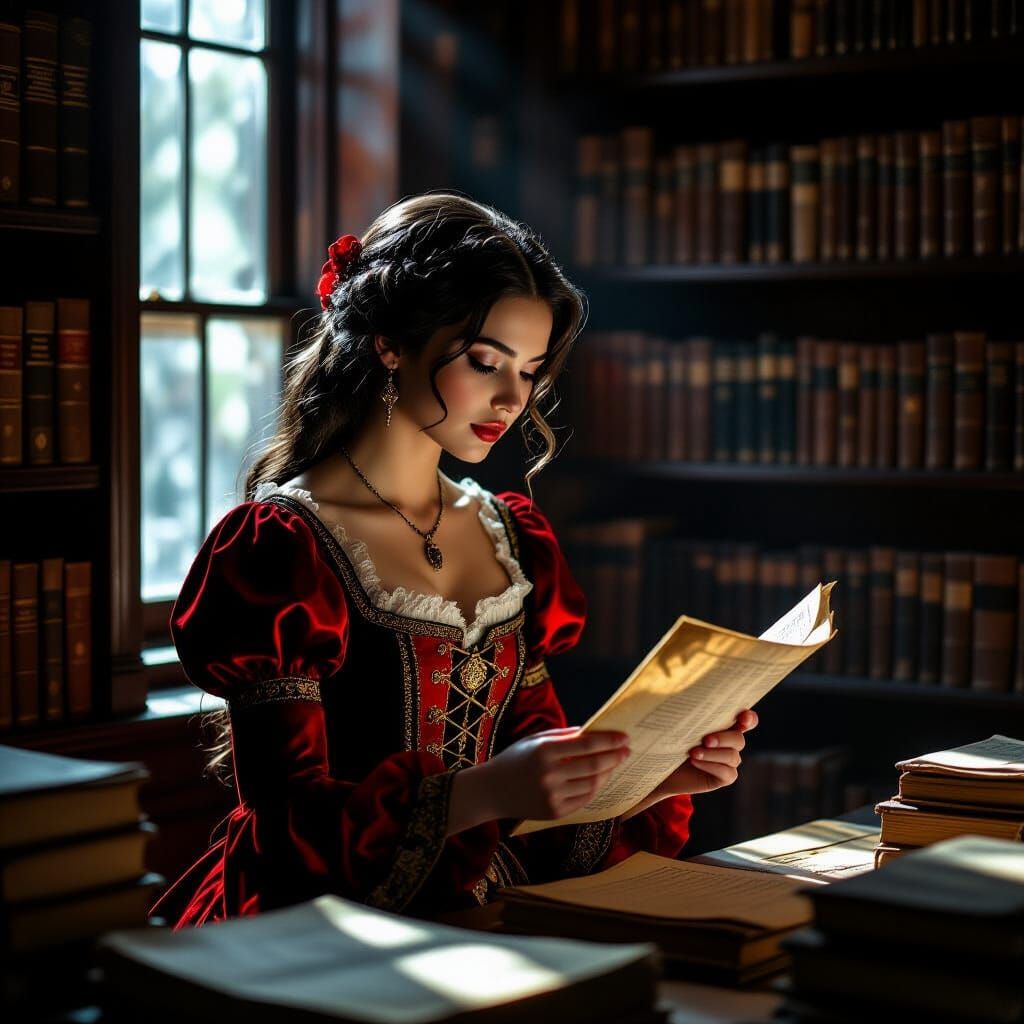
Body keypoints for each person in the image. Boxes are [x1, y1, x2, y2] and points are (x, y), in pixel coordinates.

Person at [149, 193, 758, 929]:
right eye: (484, 361)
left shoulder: (509, 533)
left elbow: (534, 769)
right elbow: (287, 824)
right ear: (391, 343)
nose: (511, 398)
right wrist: (484, 794)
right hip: (320, 932)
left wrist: (652, 779)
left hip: (492, 910)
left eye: (530, 371)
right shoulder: (281, 548)